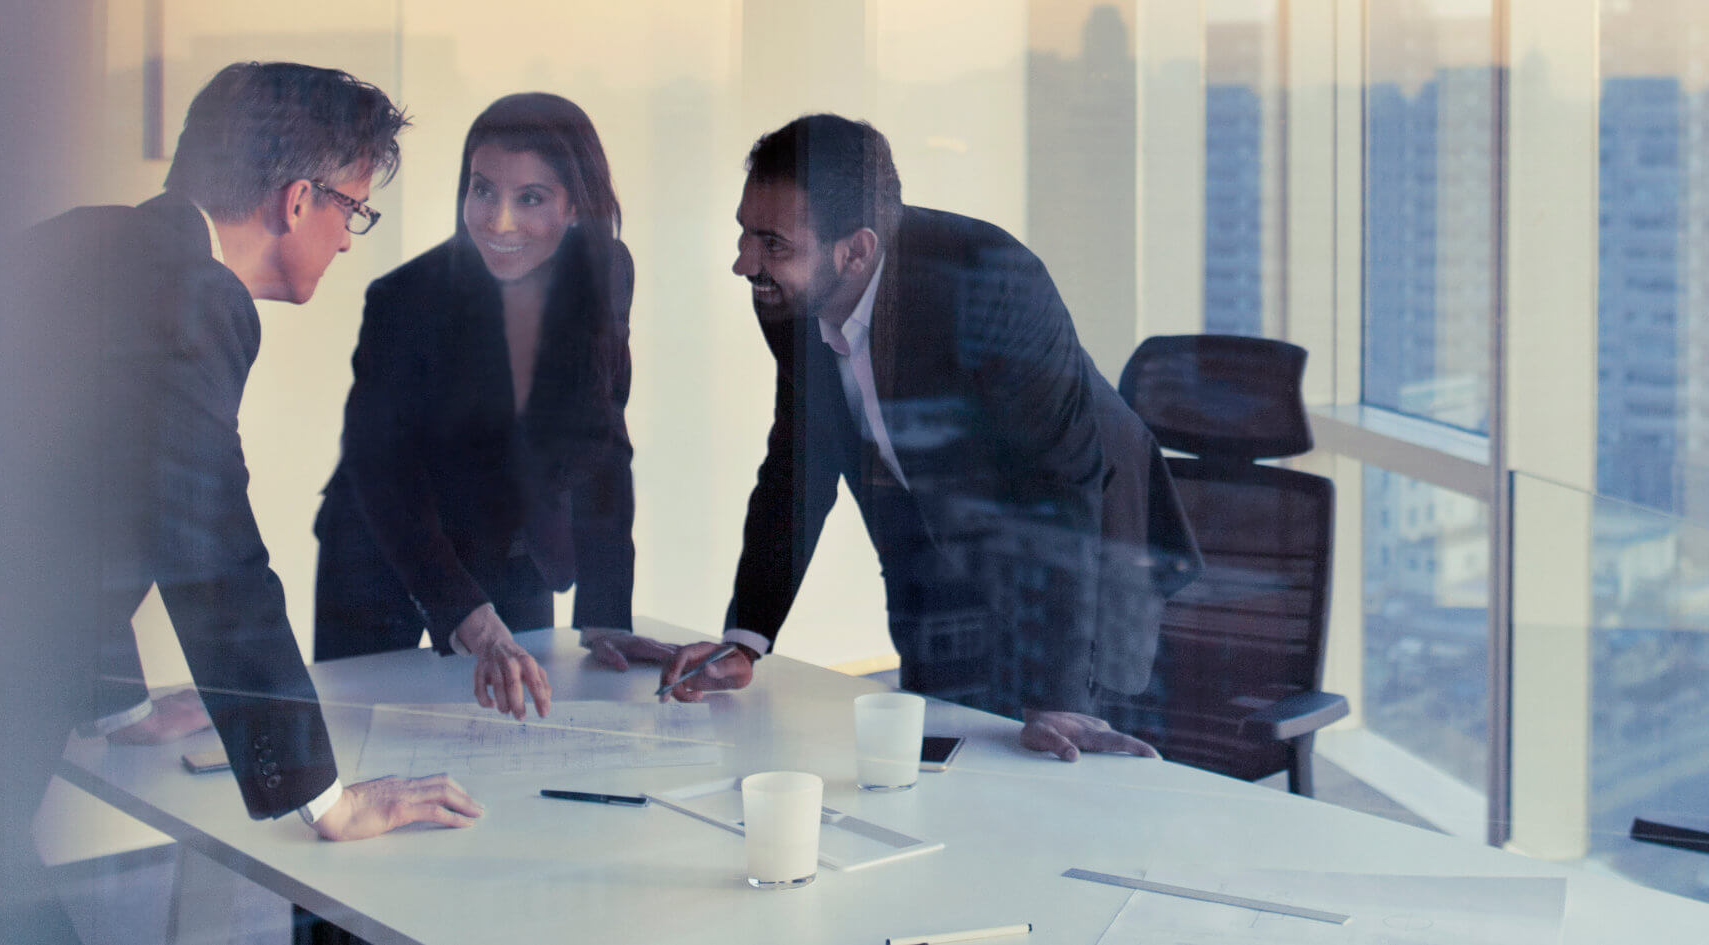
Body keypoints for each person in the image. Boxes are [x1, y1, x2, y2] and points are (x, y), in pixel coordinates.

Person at [24, 61, 484, 840]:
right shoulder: (195, 300)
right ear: (297, 199)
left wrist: (121, 705)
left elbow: (73, 505)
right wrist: (325, 796)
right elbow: (214, 554)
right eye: (354, 211)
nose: (346, 240)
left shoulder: (95, 239)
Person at [660, 115, 1202, 761]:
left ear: (856, 250)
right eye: (745, 232)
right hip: (938, 554)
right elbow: (797, 467)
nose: (743, 262)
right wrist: (746, 637)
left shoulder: (993, 281)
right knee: (945, 768)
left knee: (1068, 776)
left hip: (1088, 556)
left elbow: (1057, 484)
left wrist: (1058, 692)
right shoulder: (785, 297)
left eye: (772, 243)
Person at [315, 93, 677, 719]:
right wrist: (471, 621)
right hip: (382, 552)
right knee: (370, 741)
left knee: (515, 736)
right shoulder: (405, 301)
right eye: (483, 191)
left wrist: (604, 616)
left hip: (514, 545)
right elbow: (386, 478)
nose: (498, 221)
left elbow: (603, 444)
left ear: (573, 206)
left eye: (531, 198)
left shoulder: (604, 270)